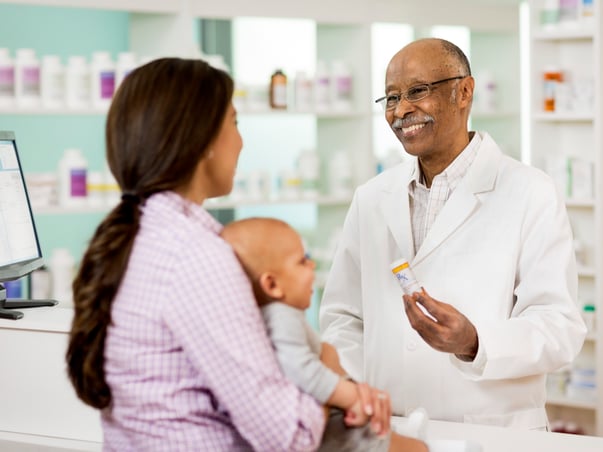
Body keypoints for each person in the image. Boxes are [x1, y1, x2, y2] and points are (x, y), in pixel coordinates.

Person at [65, 57, 390, 451]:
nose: (241, 141)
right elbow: (290, 436)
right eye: (234, 123)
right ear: (202, 144)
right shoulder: (196, 257)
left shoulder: (143, 235)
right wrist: (326, 371)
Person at [319, 38, 587, 430]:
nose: (402, 110)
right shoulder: (372, 198)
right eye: (391, 98)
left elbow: (559, 326)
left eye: (417, 91)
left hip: (492, 432)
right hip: (391, 431)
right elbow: (343, 316)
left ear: (464, 91)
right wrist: (354, 390)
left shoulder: (531, 192)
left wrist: (474, 342)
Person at [220, 217, 428, 452]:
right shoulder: (282, 318)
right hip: (326, 424)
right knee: (416, 448)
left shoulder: (272, 316)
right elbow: (302, 370)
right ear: (272, 285)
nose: (312, 266)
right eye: (302, 261)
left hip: (324, 413)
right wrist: (353, 396)